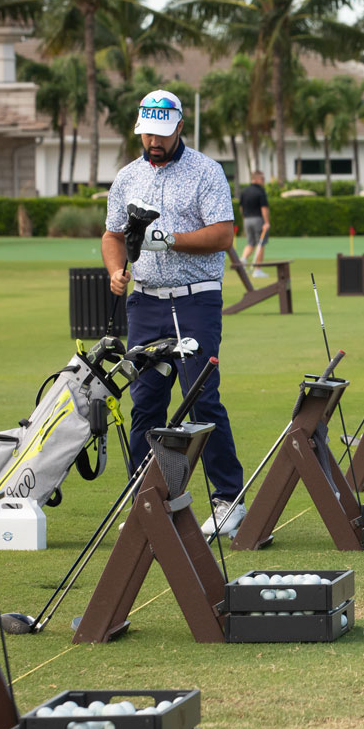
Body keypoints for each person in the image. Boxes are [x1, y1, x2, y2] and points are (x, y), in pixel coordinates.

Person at [102, 90, 246, 540]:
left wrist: (169, 239)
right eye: (147, 133)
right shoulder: (127, 177)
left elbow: (223, 234)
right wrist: (113, 271)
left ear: (179, 127)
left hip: (193, 298)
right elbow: (112, 234)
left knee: (200, 397)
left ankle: (227, 499)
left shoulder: (206, 171)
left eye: (162, 133)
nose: (154, 141)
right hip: (144, 301)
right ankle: (145, 500)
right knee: (146, 403)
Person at [238, 170, 270, 279]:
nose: (263, 181)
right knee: (260, 244)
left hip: (247, 220)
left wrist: (244, 219)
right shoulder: (260, 192)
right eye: (262, 179)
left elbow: (241, 208)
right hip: (258, 220)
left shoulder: (244, 191)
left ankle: (243, 260)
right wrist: (266, 222)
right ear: (255, 179)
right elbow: (264, 208)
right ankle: (257, 270)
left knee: (250, 243)